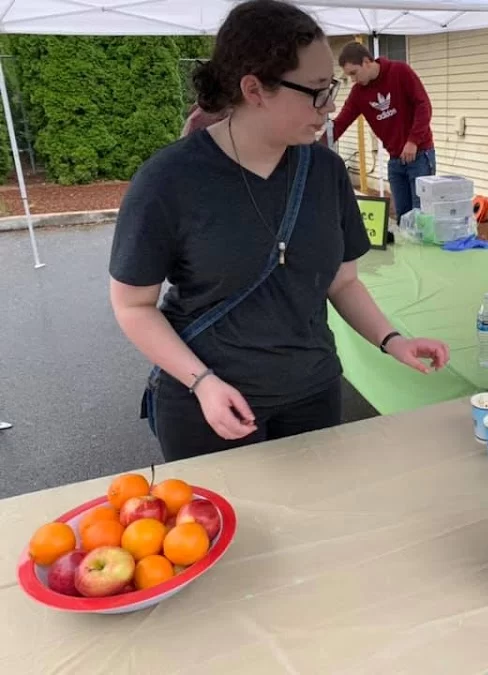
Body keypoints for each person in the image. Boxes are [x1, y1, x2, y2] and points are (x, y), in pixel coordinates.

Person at [109, 0, 450, 463]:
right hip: (210, 402)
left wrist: (393, 341)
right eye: (315, 91)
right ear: (255, 89)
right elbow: (132, 305)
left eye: (330, 88)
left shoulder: (326, 171)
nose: (330, 107)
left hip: (314, 392)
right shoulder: (169, 180)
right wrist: (202, 382)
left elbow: (342, 280)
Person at [330, 42, 435, 220]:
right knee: (403, 217)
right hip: (395, 159)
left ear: (366, 61)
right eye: (349, 76)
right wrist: (315, 145)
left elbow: (423, 105)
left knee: (422, 216)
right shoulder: (358, 93)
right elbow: (341, 122)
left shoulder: (400, 71)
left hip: (419, 154)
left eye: (354, 73)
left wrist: (413, 141)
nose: (353, 80)